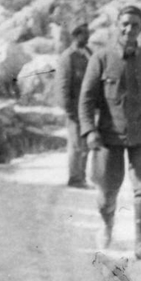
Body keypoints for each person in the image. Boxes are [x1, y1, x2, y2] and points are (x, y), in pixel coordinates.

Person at [79, 5, 141, 259]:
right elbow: (86, 99)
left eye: (135, 25)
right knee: (107, 192)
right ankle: (107, 225)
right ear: (117, 26)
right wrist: (89, 131)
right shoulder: (101, 58)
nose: (130, 29)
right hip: (109, 136)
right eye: (125, 24)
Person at [55, 22, 92, 188]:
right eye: (84, 34)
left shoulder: (88, 53)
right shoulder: (68, 57)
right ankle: (75, 178)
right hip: (75, 108)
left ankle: (81, 177)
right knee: (76, 144)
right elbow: (63, 85)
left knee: (85, 145)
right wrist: (69, 109)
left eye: (88, 33)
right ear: (76, 35)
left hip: (88, 108)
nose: (88, 36)